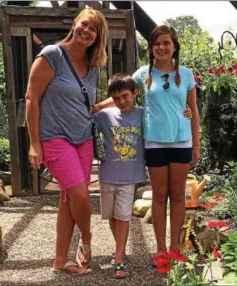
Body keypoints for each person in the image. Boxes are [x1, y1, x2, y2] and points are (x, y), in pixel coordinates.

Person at [94, 24, 200, 266]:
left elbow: (193, 110)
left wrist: (196, 144)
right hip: (153, 143)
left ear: (174, 47)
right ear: (151, 48)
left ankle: (176, 248)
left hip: (181, 141)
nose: (161, 47)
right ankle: (161, 249)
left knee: (178, 196)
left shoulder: (186, 74)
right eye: (157, 43)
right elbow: (123, 93)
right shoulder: (143, 74)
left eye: (166, 43)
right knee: (160, 197)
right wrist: (98, 108)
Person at [25, 8, 108, 275]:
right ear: (75, 23)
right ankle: (87, 239)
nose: (87, 31)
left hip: (83, 139)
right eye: (85, 24)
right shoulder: (52, 55)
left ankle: (60, 260)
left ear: (98, 36)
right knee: (81, 194)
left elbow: (89, 105)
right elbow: (32, 99)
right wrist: (34, 143)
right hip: (54, 138)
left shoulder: (93, 66)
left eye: (94, 29)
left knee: (68, 200)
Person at [93, 73, 146, 279]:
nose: (121, 101)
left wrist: (186, 112)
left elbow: (164, 115)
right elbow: (85, 116)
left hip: (130, 176)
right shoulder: (105, 116)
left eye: (125, 96)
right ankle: (120, 250)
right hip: (107, 175)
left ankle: (119, 258)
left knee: (123, 216)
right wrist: (99, 106)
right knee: (112, 217)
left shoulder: (143, 114)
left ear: (135, 93)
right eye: (116, 98)